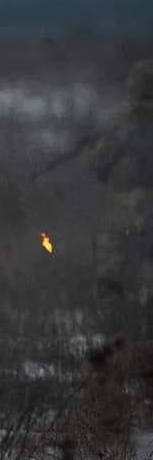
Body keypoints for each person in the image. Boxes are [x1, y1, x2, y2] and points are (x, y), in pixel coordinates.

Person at [85, 59, 153, 329]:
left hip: (132, 211)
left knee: (111, 277)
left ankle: (114, 336)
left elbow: (98, 164)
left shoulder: (126, 123)